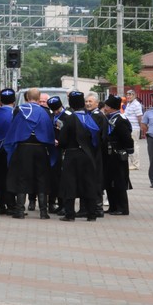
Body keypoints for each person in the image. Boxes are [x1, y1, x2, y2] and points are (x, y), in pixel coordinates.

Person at [3, 88, 56, 220]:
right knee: (42, 178)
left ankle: (20, 210)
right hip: (40, 148)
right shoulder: (45, 112)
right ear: (39, 99)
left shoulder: (19, 110)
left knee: (21, 177)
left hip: (23, 148)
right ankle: (43, 212)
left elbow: (14, 128)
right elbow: (49, 130)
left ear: (26, 97)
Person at [57, 91, 100, 221]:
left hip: (72, 153)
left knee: (70, 183)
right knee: (89, 183)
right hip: (88, 155)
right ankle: (91, 214)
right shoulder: (90, 117)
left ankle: (70, 214)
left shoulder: (69, 118)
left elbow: (63, 140)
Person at [102, 94, 134, 215]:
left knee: (119, 181)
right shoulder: (109, 117)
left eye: (107, 106)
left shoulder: (121, 119)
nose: (105, 108)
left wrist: (128, 150)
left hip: (118, 153)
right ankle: (113, 206)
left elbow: (127, 138)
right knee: (110, 181)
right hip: (109, 154)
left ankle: (122, 208)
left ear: (111, 107)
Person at [123, 89, 143, 170]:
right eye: (127, 94)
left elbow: (139, 117)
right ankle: (132, 163)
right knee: (130, 145)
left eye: (130, 94)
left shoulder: (136, 104)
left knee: (134, 145)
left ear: (134, 95)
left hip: (134, 128)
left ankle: (135, 164)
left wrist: (140, 127)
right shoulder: (129, 104)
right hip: (128, 128)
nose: (128, 96)